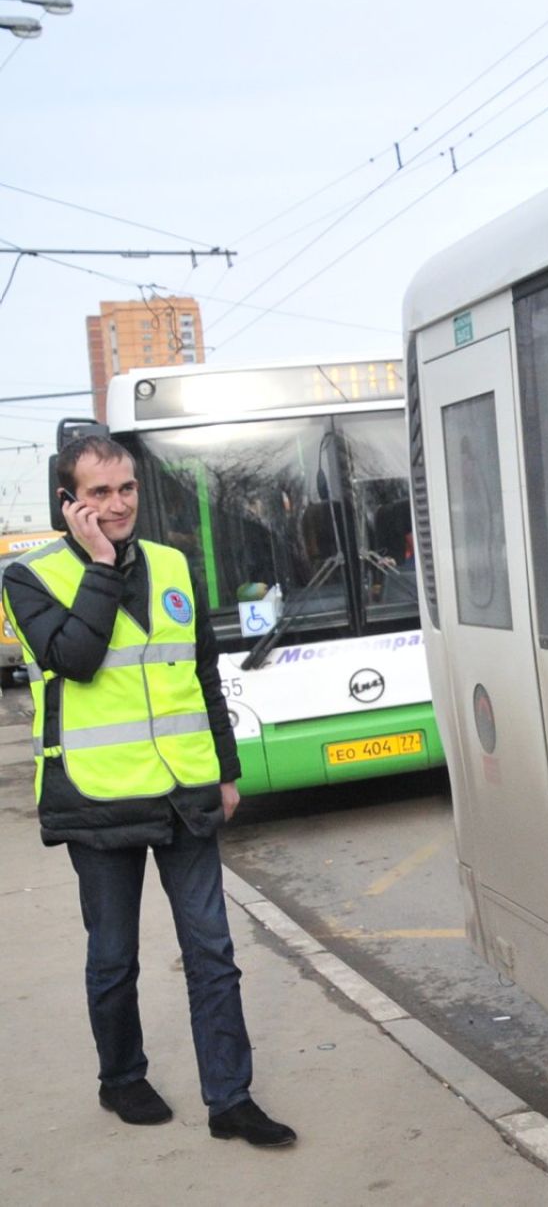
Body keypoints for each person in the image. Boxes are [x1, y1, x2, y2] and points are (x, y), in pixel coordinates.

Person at [0, 435, 297, 1148]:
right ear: (67, 502)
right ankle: (122, 1078)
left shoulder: (173, 566)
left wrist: (226, 773)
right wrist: (101, 565)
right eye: (98, 493)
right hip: (97, 798)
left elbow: (200, 675)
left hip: (184, 794)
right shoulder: (27, 577)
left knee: (212, 953)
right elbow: (74, 656)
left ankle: (231, 1099)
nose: (117, 504)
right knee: (114, 956)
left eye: (126, 489)